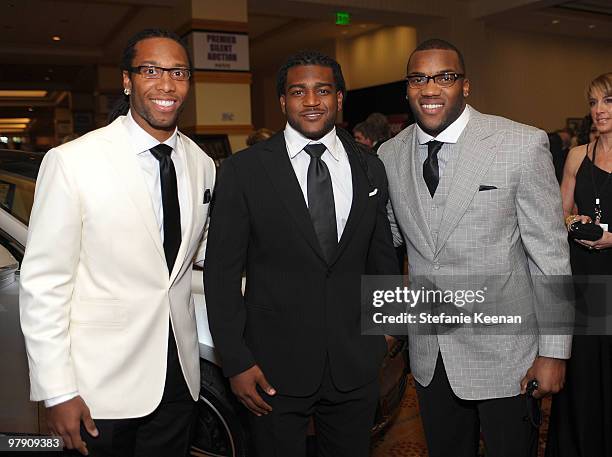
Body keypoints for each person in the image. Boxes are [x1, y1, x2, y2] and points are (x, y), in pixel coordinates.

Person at [19, 29, 216, 457]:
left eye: (178, 72)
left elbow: (188, 258)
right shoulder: (73, 162)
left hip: (178, 380)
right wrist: (57, 390)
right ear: (127, 81)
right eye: (151, 70)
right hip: (98, 388)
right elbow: (45, 283)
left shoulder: (202, 164)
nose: (166, 84)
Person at [378, 38, 572, 457]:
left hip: (508, 355)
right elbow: (389, 238)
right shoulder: (390, 154)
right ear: (408, 88)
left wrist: (554, 352)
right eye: (418, 79)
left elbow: (550, 257)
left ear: (465, 85)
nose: (430, 89)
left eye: (445, 77)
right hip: (431, 356)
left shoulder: (520, 143)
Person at [204, 50, 398, 457]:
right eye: (299, 91)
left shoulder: (370, 167)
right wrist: (236, 362)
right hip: (272, 367)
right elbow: (221, 276)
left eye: (323, 90)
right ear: (282, 102)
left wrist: (386, 333)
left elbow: (381, 258)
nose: (312, 101)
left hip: (355, 364)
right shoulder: (243, 171)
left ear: (340, 98)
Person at [546, 72, 612, 457]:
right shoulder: (576, 156)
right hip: (584, 281)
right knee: (583, 376)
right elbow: (559, 213)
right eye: (593, 102)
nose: (599, 110)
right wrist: (574, 223)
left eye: (607, 101)